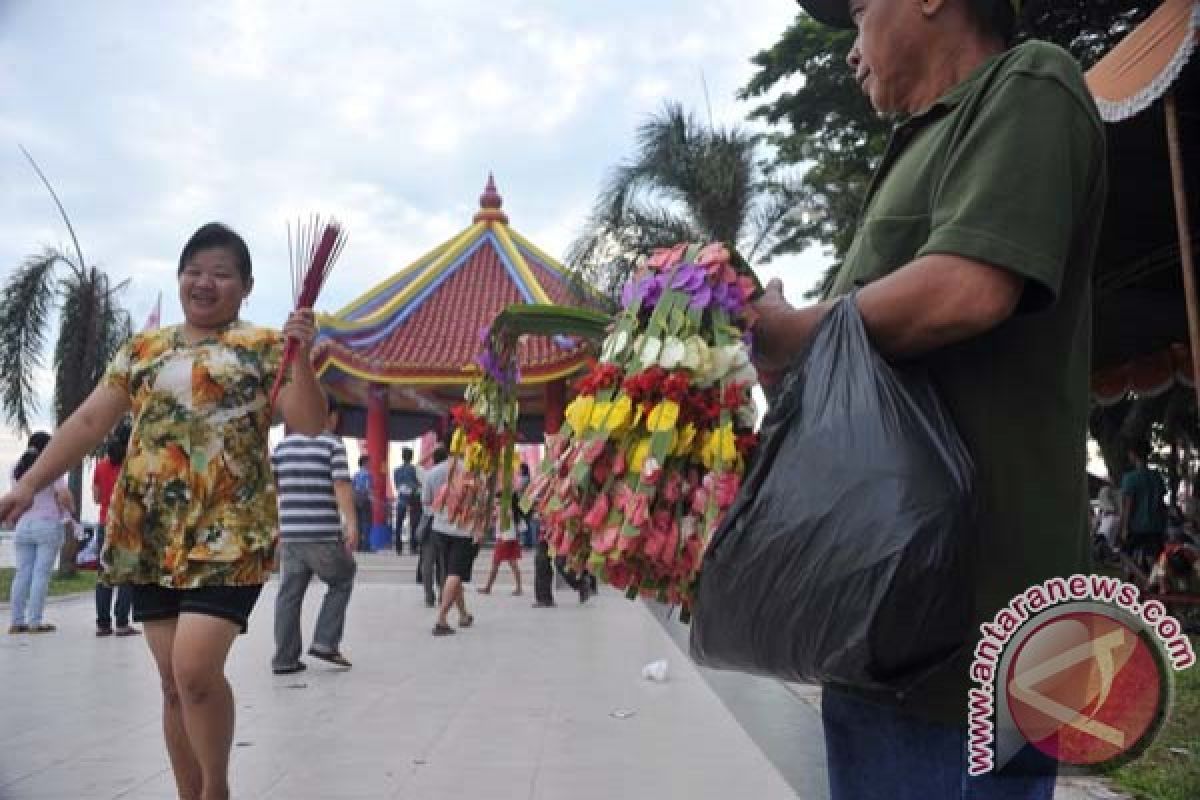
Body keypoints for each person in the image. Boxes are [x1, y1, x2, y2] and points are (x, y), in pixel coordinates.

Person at [760, 2, 1106, 796]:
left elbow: (967, 288)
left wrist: (800, 330)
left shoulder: (1030, 81)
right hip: (875, 621)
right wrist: (770, 345)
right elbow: (851, 363)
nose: (852, 52)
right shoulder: (916, 144)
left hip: (980, 633)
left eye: (855, 14)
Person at [0, 222, 327, 800]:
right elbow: (88, 422)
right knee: (173, 684)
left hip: (231, 527)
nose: (205, 282)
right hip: (149, 529)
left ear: (246, 286)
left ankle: (215, 790)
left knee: (196, 670)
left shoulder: (264, 347)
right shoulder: (144, 349)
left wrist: (301, 356)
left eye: (222, 273)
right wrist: (30, 483)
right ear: (179, 278)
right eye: (194, 270)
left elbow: (308, 423)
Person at [270, 398, 358, 675]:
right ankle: (325, 641)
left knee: (288, 595)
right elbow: (341, 484)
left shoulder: (281, 448)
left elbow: (274, 489)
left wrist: (277, 525)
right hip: (322, 534)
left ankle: (285, 659)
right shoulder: (332, 444)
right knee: (343, 578)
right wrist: (352, 524)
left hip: (291, 535)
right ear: (329, 416)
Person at [7, 432, 76, 634]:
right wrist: (71, 510)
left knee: (22, 574)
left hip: (23, 525)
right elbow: (63, 494)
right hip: (46, 525)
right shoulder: (49, 469)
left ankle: (17, 621)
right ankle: (35, 622)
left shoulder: (17, 469)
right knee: (40, 575)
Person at [424, 442, 481, 635]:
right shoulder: (471, 472)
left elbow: (427, 501)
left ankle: (464, 615)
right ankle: (441, 620)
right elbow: (480, 501)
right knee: (455, 574)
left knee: (450, 574)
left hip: (439, 529)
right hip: (462, 531)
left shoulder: (433, 472)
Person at [93, 430, 139, 637]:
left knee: (104, 575)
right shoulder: (134, 464)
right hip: (129, 523)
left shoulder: (101, 466)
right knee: (127, 575)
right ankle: (121, 622)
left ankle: (103, 624)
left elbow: (96, 497)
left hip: (106, 522)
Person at [1119, 439, 1168, 575]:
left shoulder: (1130, 478)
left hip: (1138, 525)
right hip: (1156, 524)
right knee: (1154, 558)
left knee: (1124, 553)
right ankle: (1159, 584)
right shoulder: (1157, 476)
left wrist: (1124, 527)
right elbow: (1161, 503)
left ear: (1133, 454)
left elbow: (1128, 505)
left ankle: (1144, 579)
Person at [417, 447, 447, 608]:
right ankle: (444, 594)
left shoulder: (429, 475)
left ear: (434, 459)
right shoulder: (453, 474)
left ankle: (429, 596)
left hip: (430, 523)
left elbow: (425, 500)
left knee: (427, 563)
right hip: (446, 524)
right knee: (443, 563)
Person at [478, 503, 523, 596]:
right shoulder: (510, 507)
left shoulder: (506, 507)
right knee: (511, 563)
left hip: (505, 537)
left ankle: (488, 587)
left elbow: (502, 517)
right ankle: (519, 587)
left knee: (497, 563)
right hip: (510, 536)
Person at [392, 447, 421, 555]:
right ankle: (413, 547)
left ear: (402, 457)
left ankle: (398, 548)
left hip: (401, 499)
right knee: (414, 523)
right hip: (414, 499)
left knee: (399, 523)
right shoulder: (414, 469)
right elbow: (418, 483)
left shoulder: (396, 470)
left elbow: (396, 485)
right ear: (411, 457)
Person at [352, 456, 373, 553]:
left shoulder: (355, 475)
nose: (370, 464)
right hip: (365, 500)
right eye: (369, 462)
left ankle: (358, 545)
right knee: (367, 523)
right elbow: (369, 488)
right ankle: (366, 546)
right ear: (364, 463)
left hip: (356, 499)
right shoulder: (368, 474)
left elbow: (352, 488)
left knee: (358, 523)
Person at [513, 462, 533, 548]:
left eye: (519, 469)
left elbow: (518, 488)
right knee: (525, 521)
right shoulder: (525, 478)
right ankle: (527, 541)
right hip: (525, 501)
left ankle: (527, 541)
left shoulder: (525, 478)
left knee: (525, 521)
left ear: (523, 469)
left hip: (524, 501)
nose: (518, 470)